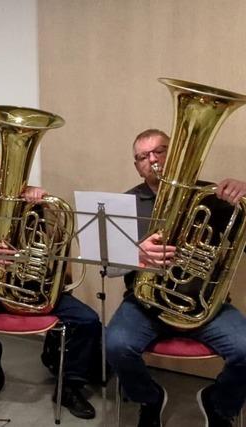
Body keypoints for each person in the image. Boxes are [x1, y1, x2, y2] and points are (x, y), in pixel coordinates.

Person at [0, 143, 101, 420]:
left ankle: (70, 387)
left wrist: (46, 203)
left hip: (35, 287)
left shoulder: (34, 203)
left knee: (88, 321)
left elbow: (59, 241)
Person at [106, 129, 246, 427]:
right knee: (116, 345)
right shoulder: (123, 204)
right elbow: (106, 268)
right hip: (145, 303)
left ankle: (218, 404)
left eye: (160, 151)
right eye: (143, 157)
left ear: (176, 153)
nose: (152, 160)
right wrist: (137, 256)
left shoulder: (215, 197)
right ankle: (150, 398)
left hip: (205, 303)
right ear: (137, 166)